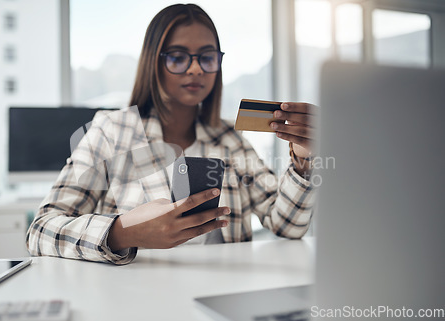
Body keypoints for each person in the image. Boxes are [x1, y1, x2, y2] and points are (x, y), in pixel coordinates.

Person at [26, 3, 316, 265]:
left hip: (221, 295)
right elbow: (40, 231)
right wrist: (121, 232)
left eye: (207, 57)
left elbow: (287, 226)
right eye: (177, 58)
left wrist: (302, 160)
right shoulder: (110, 132)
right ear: (154, 62)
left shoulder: (230, 140)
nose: (195, 69)